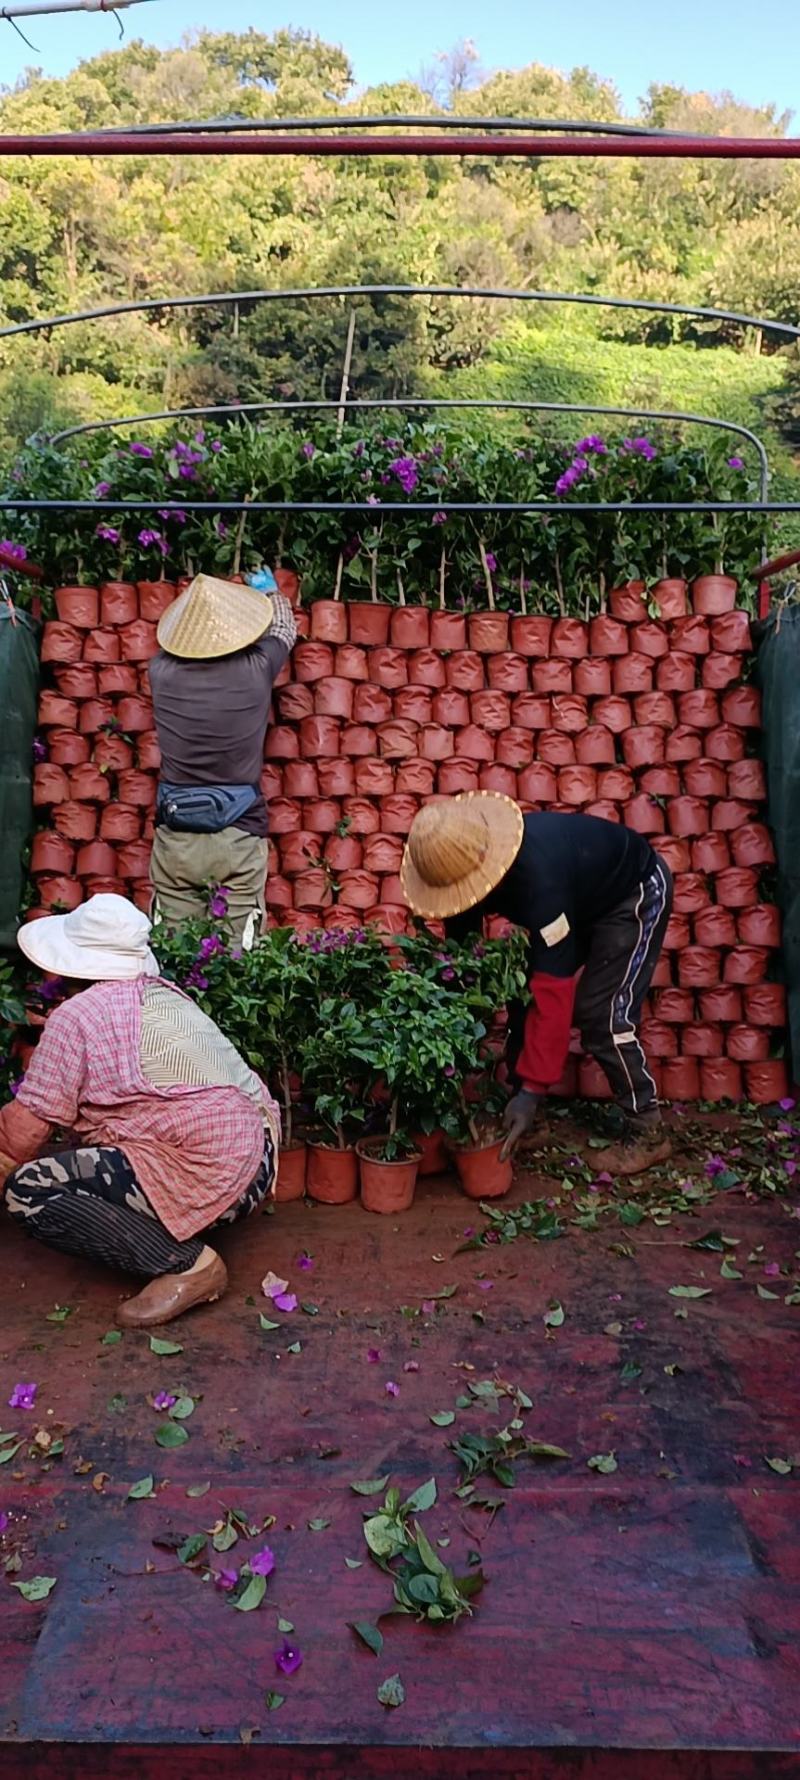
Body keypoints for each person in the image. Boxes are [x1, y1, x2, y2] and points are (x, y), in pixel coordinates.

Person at [0, 895, 281, 1327]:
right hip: (256, 1161)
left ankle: (188, 1264)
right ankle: (178, 1219)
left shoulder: (76, 1017)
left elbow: (20, 1138)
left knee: (29, 1188)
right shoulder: (164, 994)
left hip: (209, 1165)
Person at [400, 794, 673, 1175]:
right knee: (520, 990)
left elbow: (553, 990)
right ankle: (530, 1119)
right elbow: (462, 958)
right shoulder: (465, 877)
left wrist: (533, 1090)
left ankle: (647, 1129)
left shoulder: (539, 884)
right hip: (582, 894)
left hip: (632, 893)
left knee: (602, 1015)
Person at [149, 570, 297, 943]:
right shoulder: (256, 669)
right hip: (239, 834)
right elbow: (283, 631)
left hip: (177, 835)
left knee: (173, 950)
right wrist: (272, 594)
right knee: (239, 955)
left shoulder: (161, 672)